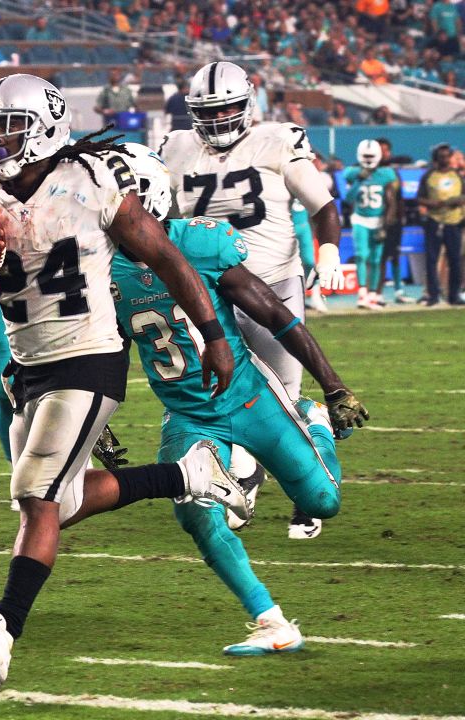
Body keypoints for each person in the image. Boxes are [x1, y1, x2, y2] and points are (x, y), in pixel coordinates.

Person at [0, 74, 244, 689]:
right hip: (28, 365)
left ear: (45, 125)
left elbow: (167, 258)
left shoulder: (92, 180)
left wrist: (216, 335)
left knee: (37, 496)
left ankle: (2, 631)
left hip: (91, 357)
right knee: (61, 502)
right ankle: (189, 474)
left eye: (7, 126)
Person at [113, 144, 369, 655]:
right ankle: (271, 622)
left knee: (323, 501)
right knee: (194, 513)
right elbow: (105, 350)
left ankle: (312, 422)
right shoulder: (99, 272)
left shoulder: (201, 245)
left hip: (250, 398)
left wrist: (333, 386)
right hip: (186, 414)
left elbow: (276, 315)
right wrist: (96, 420)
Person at [161, 61, 345, 540]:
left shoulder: (277, 139)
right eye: (209, 111)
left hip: (271, 285)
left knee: (283, 400)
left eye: (228, 109)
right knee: (215, 395)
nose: (220, 120)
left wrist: (327, 252)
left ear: (248, 103)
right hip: (208, 295)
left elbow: (321, 205)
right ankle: (243, 480)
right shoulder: (176, 147)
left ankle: (307, 486)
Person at [343, 140, 399, 309]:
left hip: (378, 221)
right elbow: (348, 199)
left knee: (375, 259)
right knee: (361, 255)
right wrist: (359, 181)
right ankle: (362, 294)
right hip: (360, 219)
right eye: (365, 156)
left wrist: (385, 225)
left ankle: (373, 295)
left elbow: (391, 201)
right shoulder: (352, 173)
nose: (368, 159)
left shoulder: (386, 174)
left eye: (371, 156)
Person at [417, 143, 463, 306]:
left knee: (455, 260)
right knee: (432, 259)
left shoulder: (457, 176)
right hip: (435, 221)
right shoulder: (429, 176)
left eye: (446, 156)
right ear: (436, 158)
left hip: (454, 221)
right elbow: (420, 198)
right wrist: (433, 203)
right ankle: (433, 294)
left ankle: (453, 295)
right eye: (441, 156)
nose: (444, 159)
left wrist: (458, 201)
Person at [375, 138, 410, 304]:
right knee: (379, 256)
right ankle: (377, 292)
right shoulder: (370, 172)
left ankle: (398, 290)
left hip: (395, 221)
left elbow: (400, 198)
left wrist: (401, 218)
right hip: (376, 220)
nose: (384, 154)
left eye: (386, 150)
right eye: (381, 150)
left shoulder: (394, 173)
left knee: (395, 254)